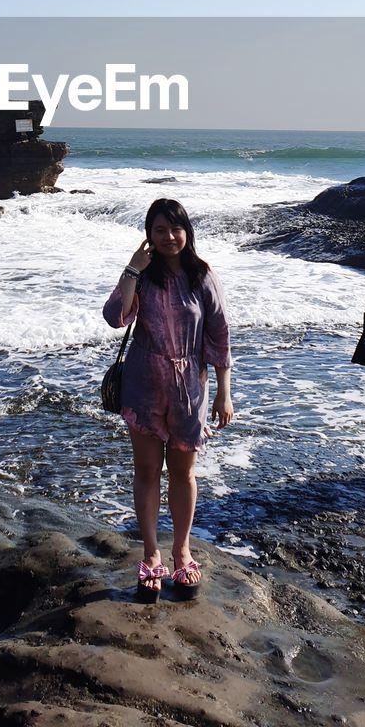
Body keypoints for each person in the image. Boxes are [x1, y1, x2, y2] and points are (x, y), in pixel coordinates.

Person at [103, 198, 233, 599]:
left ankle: (182, 551)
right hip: (144, 382)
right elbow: (114, 316)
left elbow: (219, 336)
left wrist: (225, 393)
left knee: (183, 472)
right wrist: (131, 270)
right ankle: (151, 555)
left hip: (189, 387)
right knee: (146, 471)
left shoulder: (202, 275)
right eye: (159, 230)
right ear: (149, 235)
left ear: (186, 231)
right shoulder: (142, 275)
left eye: (175, 229)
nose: (169, 237)